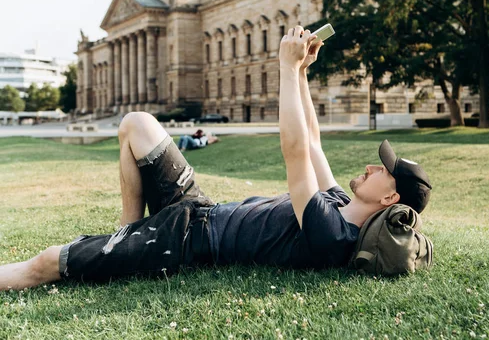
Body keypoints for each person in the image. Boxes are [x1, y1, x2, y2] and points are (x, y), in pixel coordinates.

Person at [0, 26, 432, 291]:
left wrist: (283, 68)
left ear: (390, 198)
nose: (374, 166)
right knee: (136, 123)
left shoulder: (332, 234)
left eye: (384, 170)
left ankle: (128, 244)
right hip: (199, 210)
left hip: (186, 242)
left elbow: (296, 150)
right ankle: (127, 231)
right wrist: (301, 73)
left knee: (44, 264)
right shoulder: (338, 202)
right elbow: (314, 142)